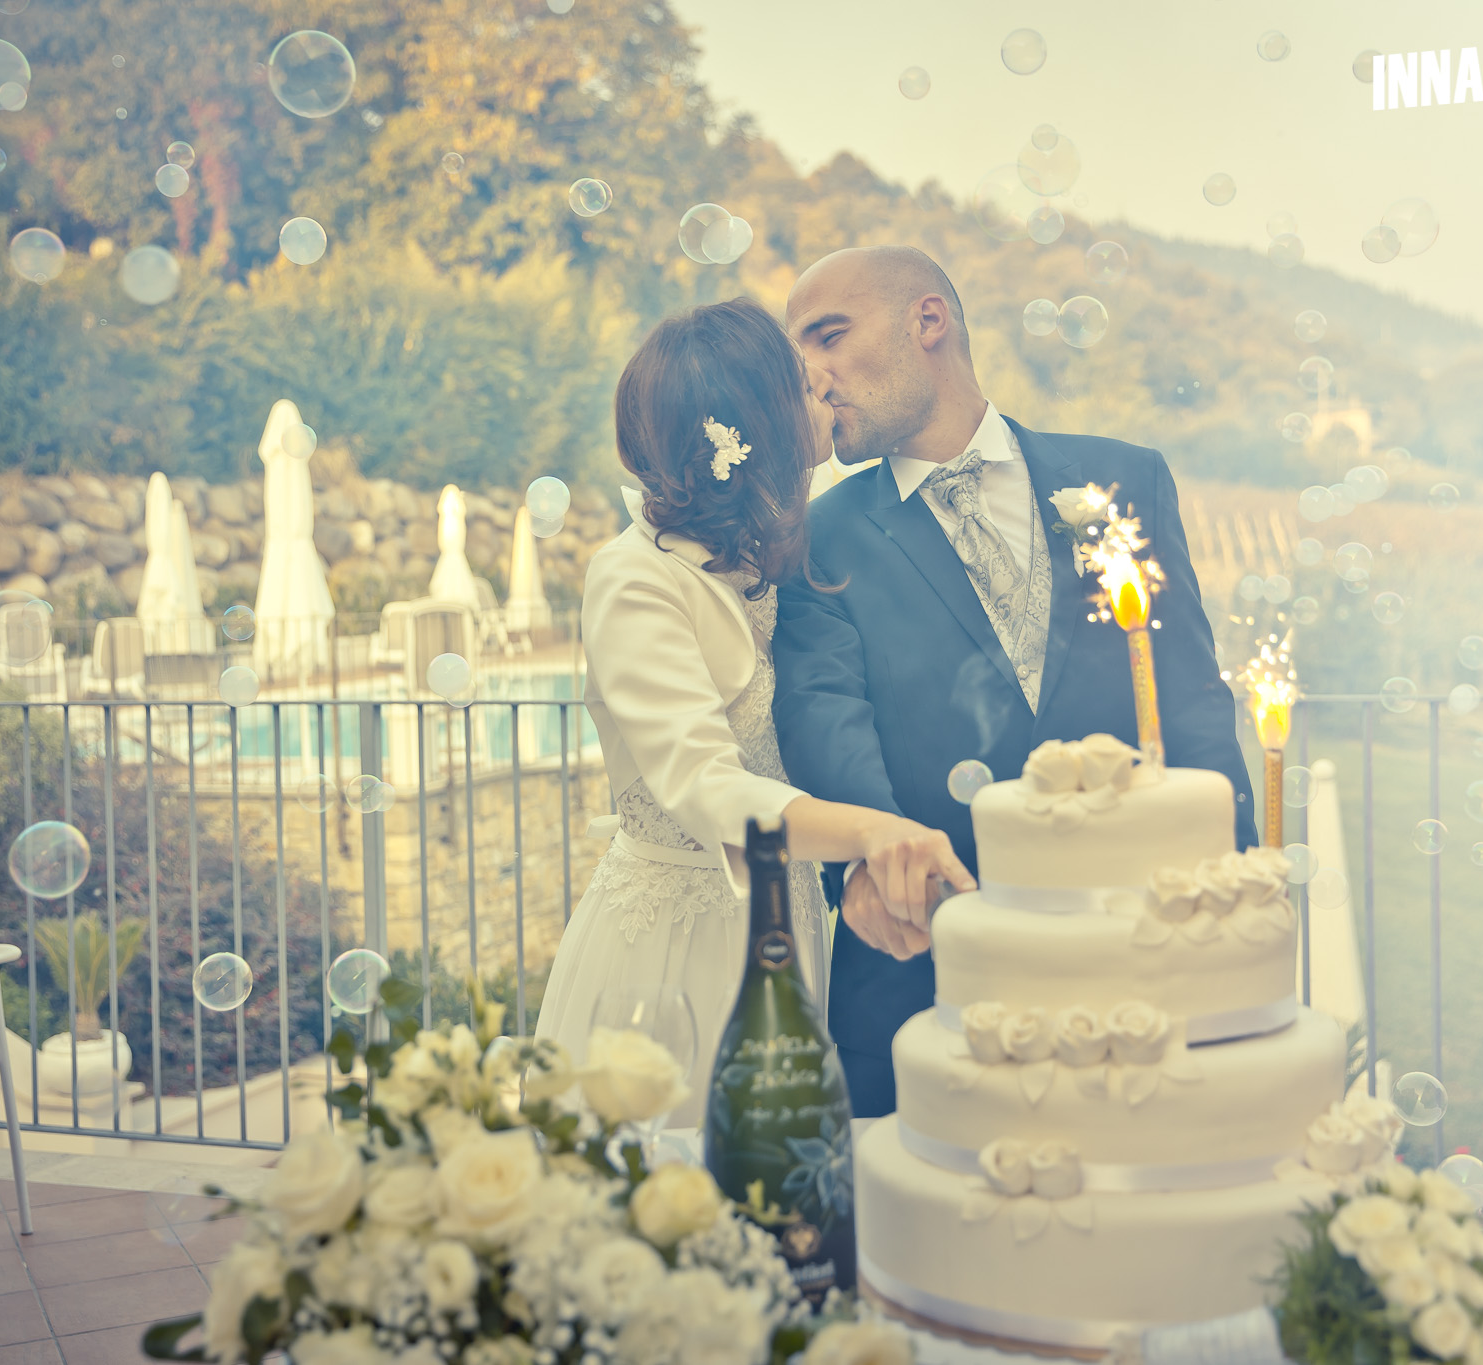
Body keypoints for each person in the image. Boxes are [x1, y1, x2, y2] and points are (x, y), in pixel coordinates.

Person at [772, 246, 1258, 1118]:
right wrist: (878, 863)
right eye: (797, 352)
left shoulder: (1123, 480)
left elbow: (1188, 698)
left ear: (929, 321)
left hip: (1140, 950)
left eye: (829, 335)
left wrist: (1239, 896)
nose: (810, 375)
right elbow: (823, 716)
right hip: (933, 968)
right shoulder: (817, 536)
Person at [535, 296, 975, 1127]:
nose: (828, 394)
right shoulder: (636, 578)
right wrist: (873, 833)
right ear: (757, 427)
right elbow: (702, 783)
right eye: (805, 390)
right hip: (674, 956)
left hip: (783, 929)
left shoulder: (774, 561)